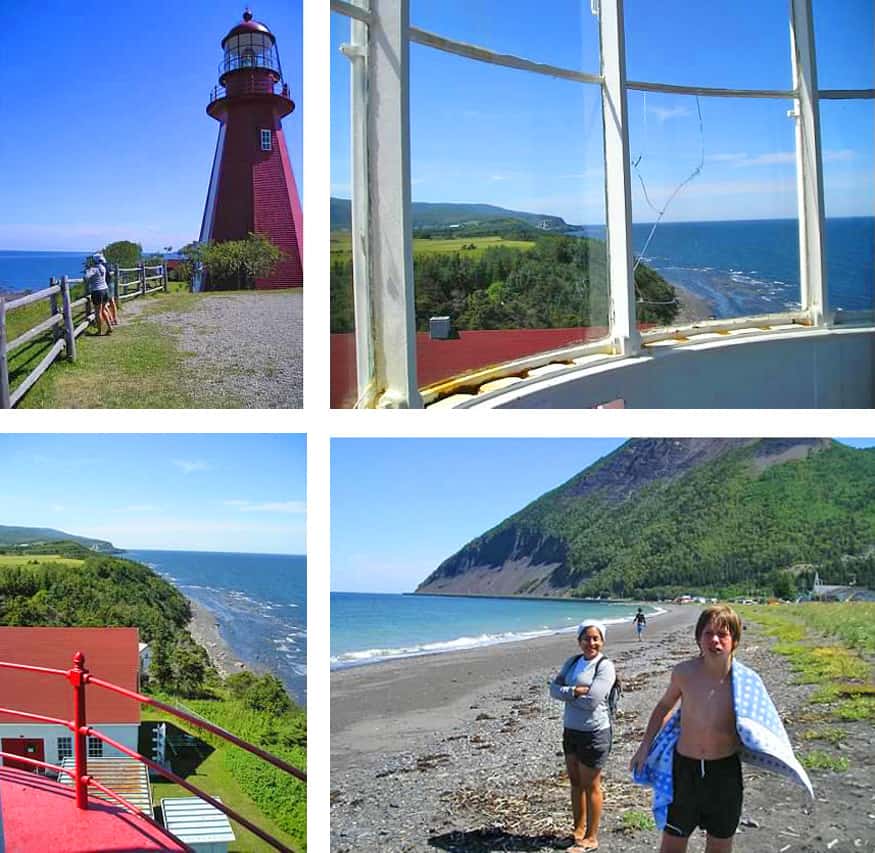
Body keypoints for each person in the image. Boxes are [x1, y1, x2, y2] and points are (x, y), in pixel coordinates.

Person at [630, 604, 813, 853]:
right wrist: (644, 747)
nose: (714, 640)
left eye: (723, 634)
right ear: (698, 638)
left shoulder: (746, 682)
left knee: (719, 844)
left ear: (734, 640)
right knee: (672, 844)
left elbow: (764, 722)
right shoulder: (684, 673)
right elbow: (663, 707)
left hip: (724, 773)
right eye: (708, 633)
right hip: (684, 770)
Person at [549, 620, 615, 852]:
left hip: (594, 733)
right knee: (575, 783)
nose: (591, 643)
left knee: (591, 785)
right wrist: (575, 690)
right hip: (571, 731)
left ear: (602, 641)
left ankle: (591, 837)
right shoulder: (573, 662)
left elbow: (592, 701)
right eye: (586, 638)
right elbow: (552, 689)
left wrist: (567, 692)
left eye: (596, 638)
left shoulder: (605, 666)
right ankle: (577, 831)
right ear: (579, 641)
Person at [84, 255, 112, 334]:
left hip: (97, 291)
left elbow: (86, 277)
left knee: (98, 312)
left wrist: (87, 270)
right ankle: (110, 327)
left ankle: (99, 331)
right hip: (105, 290)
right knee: (103, 310)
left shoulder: (93, 269)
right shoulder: (102, 268)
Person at [94, 252, 118, 326]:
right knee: (110, 302)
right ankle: (114, 319)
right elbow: (111, 273)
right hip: (109, 284)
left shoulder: (100, 266)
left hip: (106, 285)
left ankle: (110, 319)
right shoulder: (107, 265)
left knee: (104, 304)